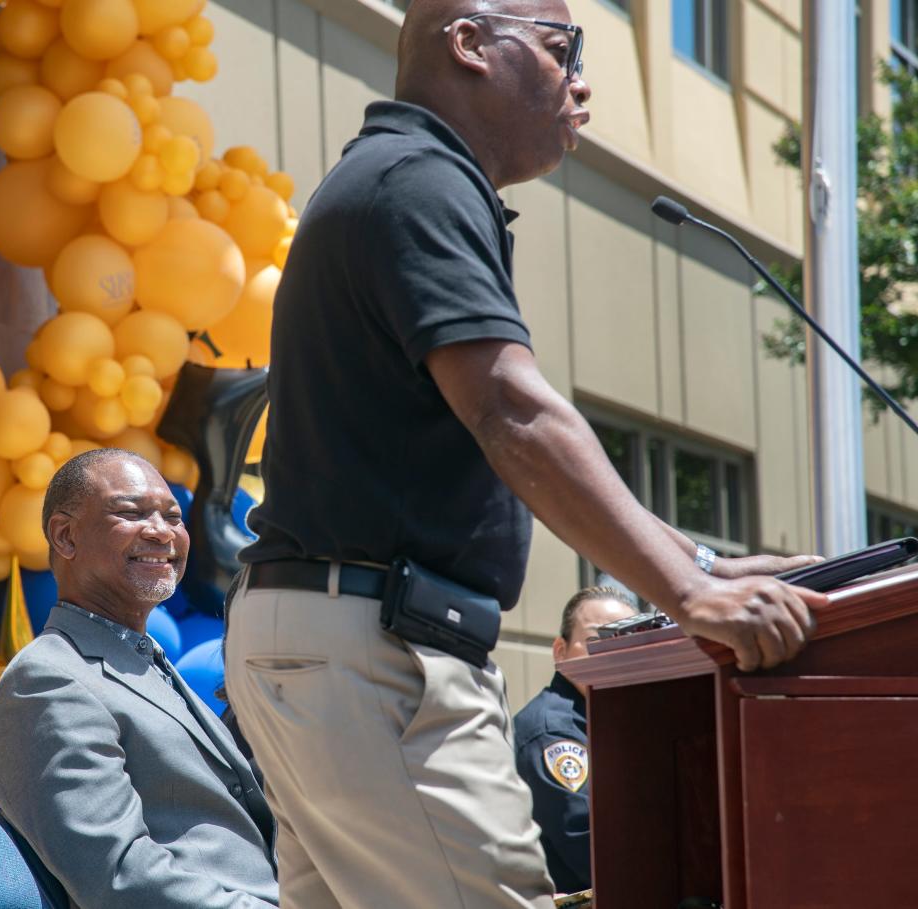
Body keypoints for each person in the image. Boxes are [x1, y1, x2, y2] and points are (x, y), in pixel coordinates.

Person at [223, 0, 827, 906]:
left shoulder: (396, 176)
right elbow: (512, 408)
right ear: (469, 44)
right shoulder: (418, 179)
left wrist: (704, 560)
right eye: (561, 47)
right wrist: (692, 594)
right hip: (372, 654)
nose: (580, 80)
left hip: (326, 638)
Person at [0, 449, 279, 909]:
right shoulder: (49, 682)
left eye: (173, 517)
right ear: (65, 536)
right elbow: (120, 877)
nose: (162, 532)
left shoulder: (143, 664)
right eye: (131, 513)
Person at [513, 587, 639, 893]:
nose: (612, 654)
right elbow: (591, 849)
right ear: (560, 651)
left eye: (627, 643)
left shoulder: (612, 719)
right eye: (597, 641)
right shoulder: (553, 732)